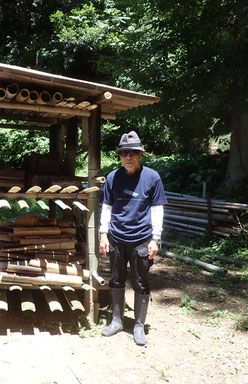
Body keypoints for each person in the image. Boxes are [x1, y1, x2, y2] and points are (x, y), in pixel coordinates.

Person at [99, 131, 167, 345]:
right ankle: (117, 320)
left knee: (140, 281)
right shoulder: (112, 177)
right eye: (124, 153)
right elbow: (107, 208)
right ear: (120, 155)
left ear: (141, 154)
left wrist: (155, 238)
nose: (128, 156)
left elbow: (157, 209)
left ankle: (139, 325)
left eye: (133, 152)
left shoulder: (152, 177)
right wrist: (103, 233)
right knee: (116, 279)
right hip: (116, 238)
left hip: (141, 239)